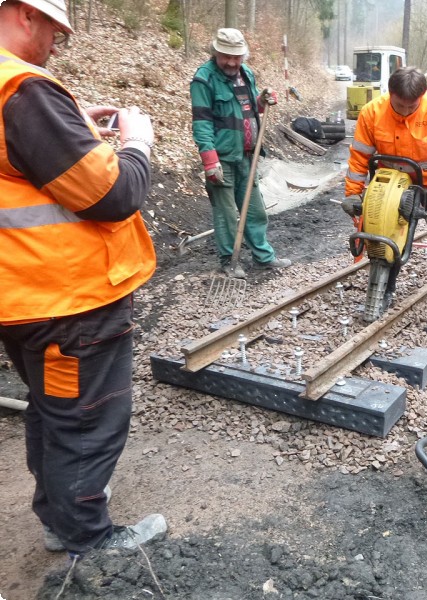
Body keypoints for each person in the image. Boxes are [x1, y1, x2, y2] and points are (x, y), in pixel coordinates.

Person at [0, 0, 167, 556]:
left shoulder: (14, 95)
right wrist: (138, 142)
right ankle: (88, 541)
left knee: (55, 409)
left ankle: (59, 516)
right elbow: (112, 195)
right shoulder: (23, 91)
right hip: (69, 300)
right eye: (54, 31)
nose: (56, 44)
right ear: (25, 15)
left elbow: (26, 170)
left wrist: (67, 131)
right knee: (88, 420)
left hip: (23, 292)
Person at [341, 67, 427, 313]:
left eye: (413, 107)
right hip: (391, 187)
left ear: (422, 96)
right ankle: (384, 290)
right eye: (400, 106)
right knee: (385, 238)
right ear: (390, 94)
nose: (407, 112)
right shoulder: (372, 113)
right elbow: (359, 157)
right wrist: (353, 193)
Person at [190, 28, 291, 279]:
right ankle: (229, 261)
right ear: (216, 53)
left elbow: (247, 109)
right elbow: (202, 123)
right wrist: (210, 160)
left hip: (248, 155)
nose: (232, 62)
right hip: (222, 158)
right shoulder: (203, 80)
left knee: (255, 210)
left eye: (237, 57)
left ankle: (263, 257)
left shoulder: (246, 74)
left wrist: (262, 101)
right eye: (226, 57)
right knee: (226, 213)